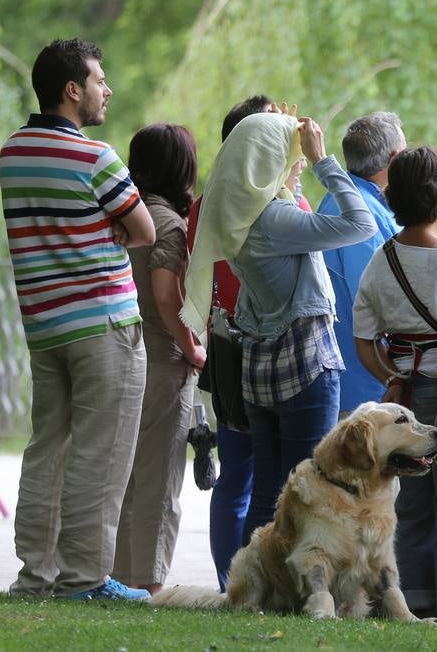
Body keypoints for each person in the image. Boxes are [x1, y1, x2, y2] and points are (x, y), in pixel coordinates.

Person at [0, 39, 157, 602]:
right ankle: (85, 579)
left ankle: (34, 577)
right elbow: (145, 231)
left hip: (45, 328)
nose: (106, 89)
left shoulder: (12, 152)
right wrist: (106, 229)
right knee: (102, 453)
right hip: (104, 326)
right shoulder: (96, 156)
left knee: (47, 449)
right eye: (99, 79)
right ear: (73, 90)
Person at [182, 107, 376, 541]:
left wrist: (291, 168)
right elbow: (360, 224)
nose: (299, 164)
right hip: (304, 369)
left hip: (261, 374)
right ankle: (299, 592)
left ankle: (252, 590)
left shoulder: (237, 214)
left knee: (267, 492)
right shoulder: (273, 220)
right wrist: (324, 160)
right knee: (311, 487)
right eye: (290, 157)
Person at [352, 146, 437, 619]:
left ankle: (411, 604)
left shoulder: (381, 261)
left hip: (405, 398)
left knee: (412, 507)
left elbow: (364, 338)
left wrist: (392, 376)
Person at [185, 95, 273, 591]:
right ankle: (248, 581)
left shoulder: (205, 204)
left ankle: (228, 583)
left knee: (237, 472)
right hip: (260, 343)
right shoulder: (268, 206)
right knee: (261, 471)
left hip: (222, 339)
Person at [112, 124, 204, 595]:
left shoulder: (118, 215)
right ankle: (146, 583)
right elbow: (167, 297)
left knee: (121, 475)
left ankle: (111, 577)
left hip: (118, 353)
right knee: (159, 479)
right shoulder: (168, 223)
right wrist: (191, 347)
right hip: (162, 361)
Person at [319, 112, 407, 415]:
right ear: (395, 159)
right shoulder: (361, 214)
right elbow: (372, 302)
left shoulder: (339, 199)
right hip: (363, 387)